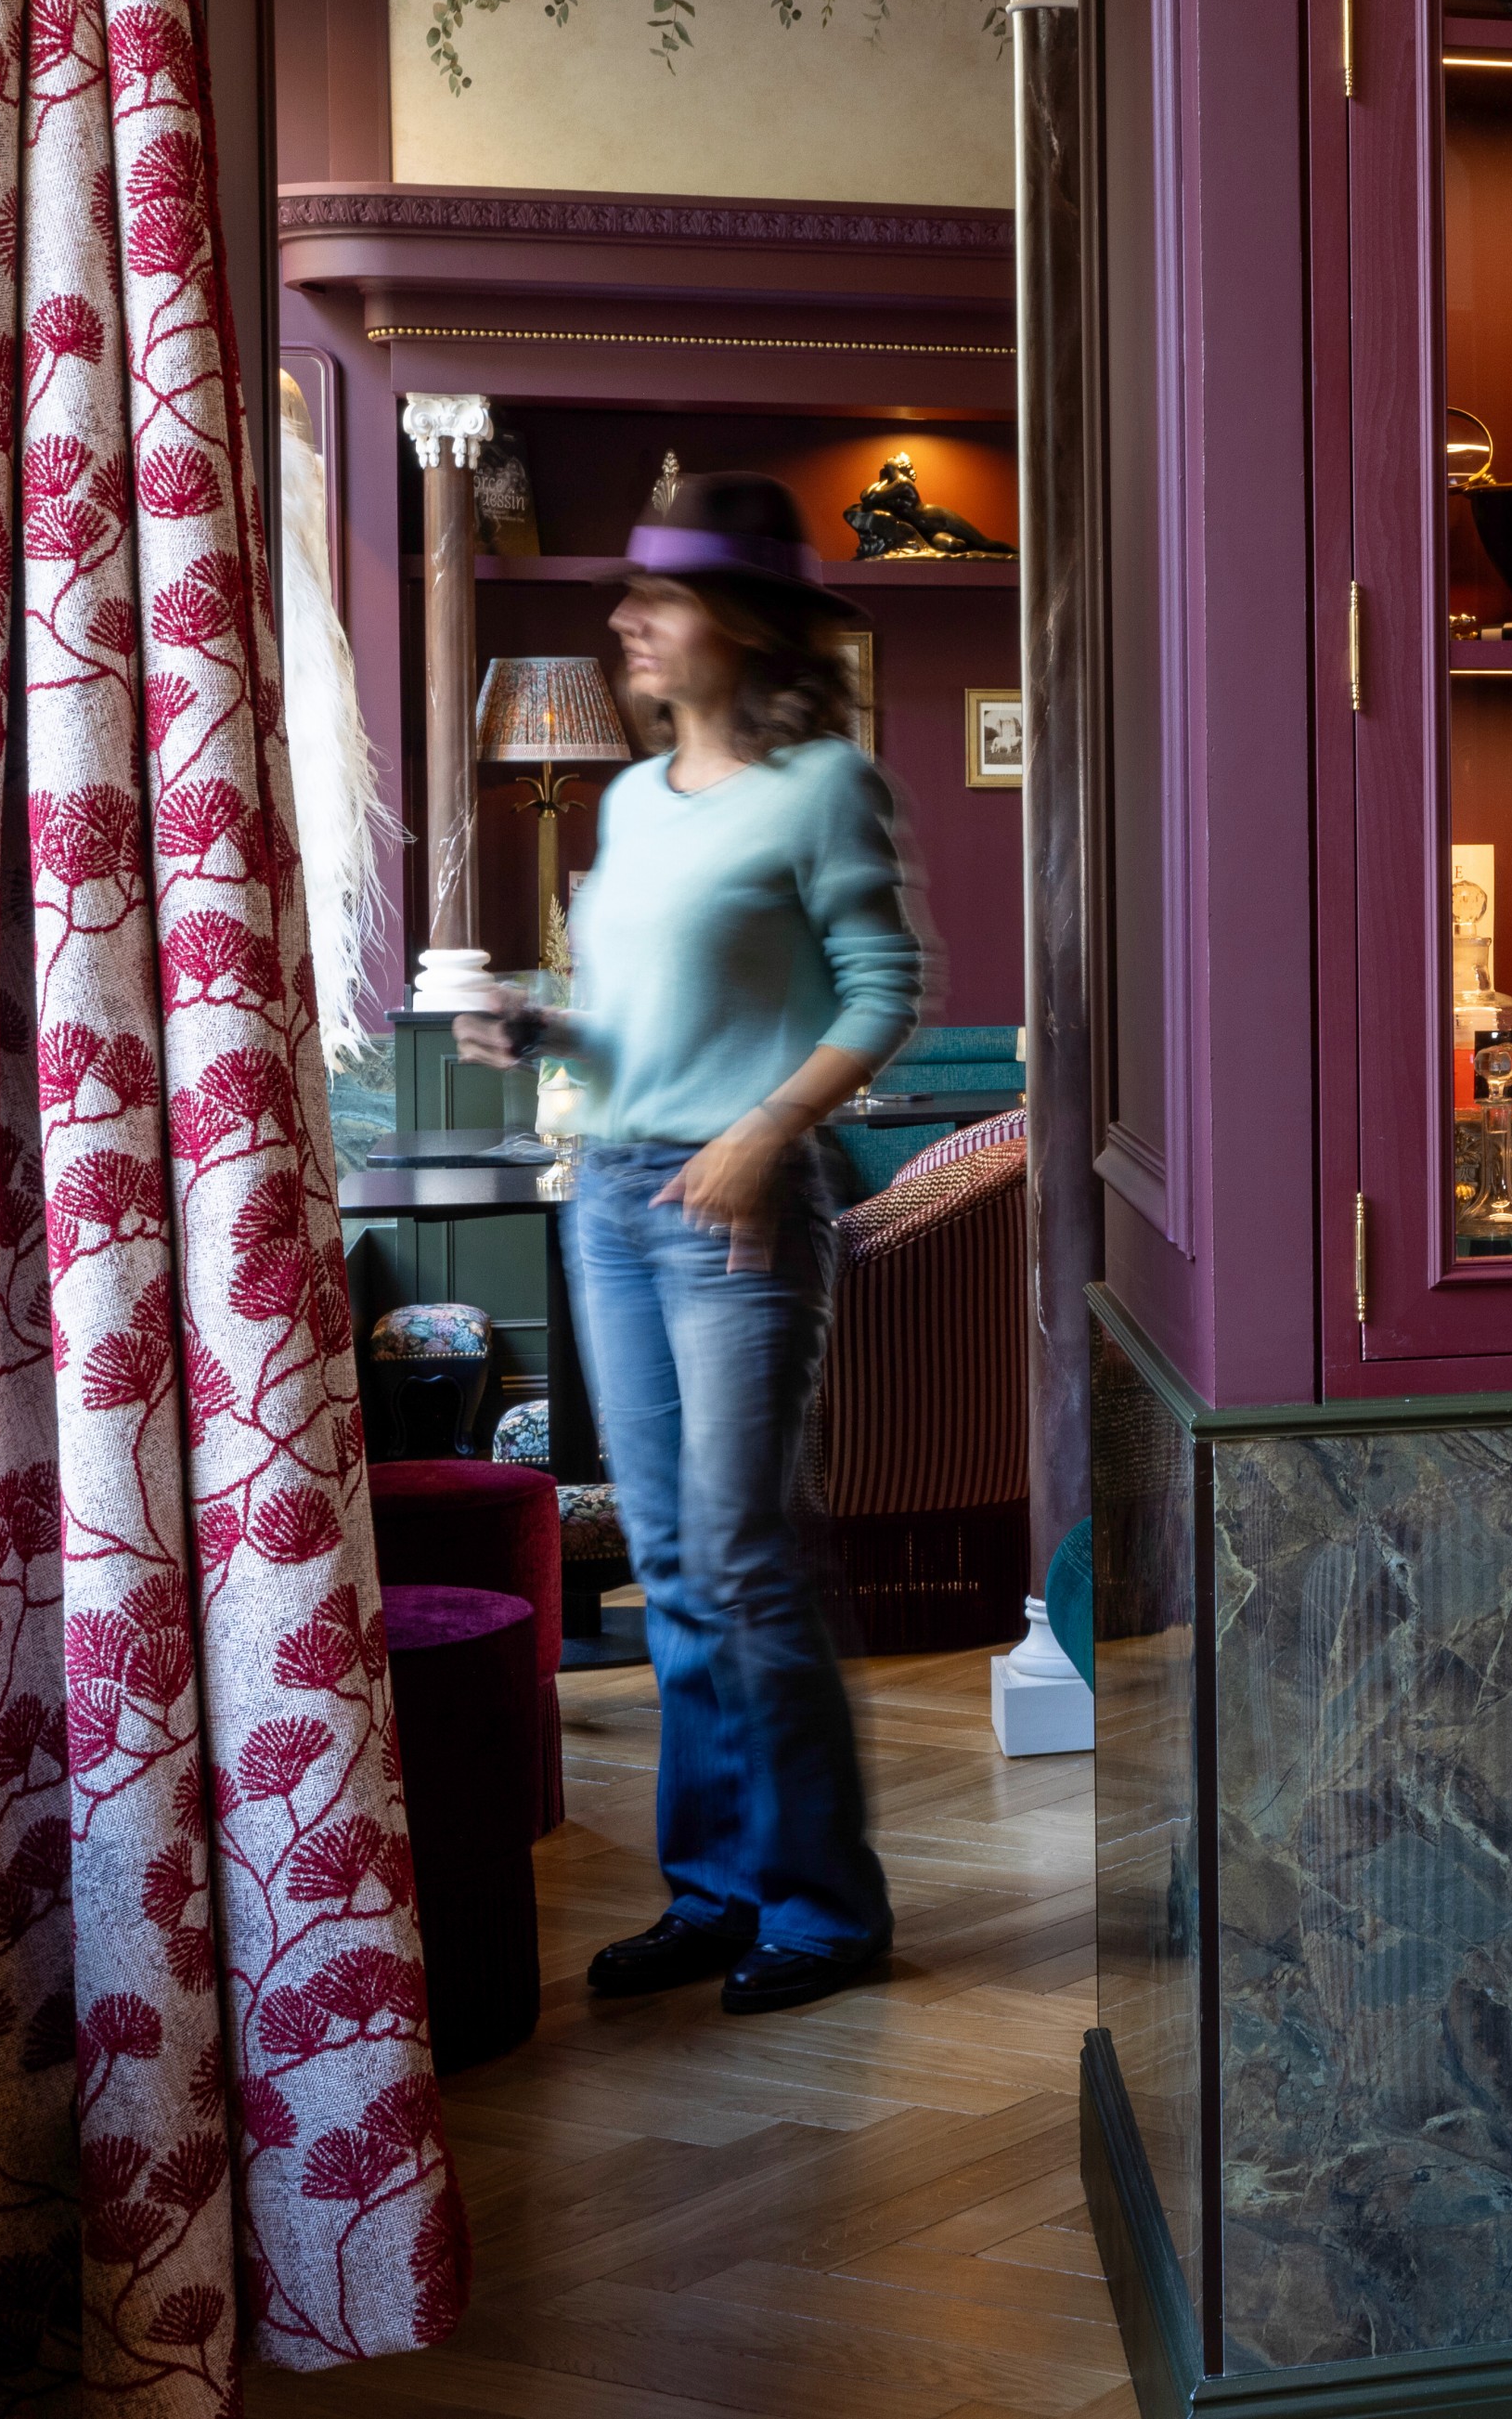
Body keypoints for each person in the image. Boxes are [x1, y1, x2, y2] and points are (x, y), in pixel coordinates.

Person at [458, 472, 931, 2015]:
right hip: (612, 1195)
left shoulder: (823, 787)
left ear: (741, 622)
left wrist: (766, 1129)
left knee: (743, 1553)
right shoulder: (629, 802)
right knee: (669, 1563)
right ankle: (717, 1892)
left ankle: (824, 1906)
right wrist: (543, 1025)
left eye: (657, 597)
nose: (626, 620)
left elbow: (883, 987)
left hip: (740, 1208)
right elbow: (643, 1029)